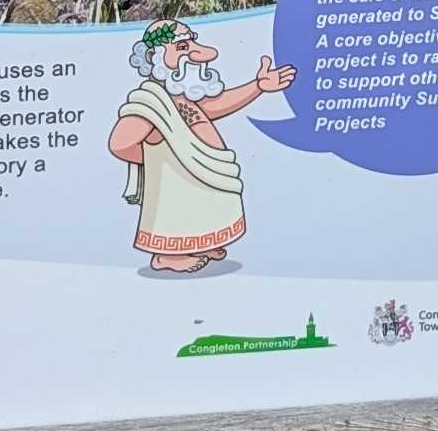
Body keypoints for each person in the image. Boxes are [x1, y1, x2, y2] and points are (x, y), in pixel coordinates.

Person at [103, 18, 295, 273]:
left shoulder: (183, 94)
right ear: (156, 57)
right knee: (176, 212)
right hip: (175, 179)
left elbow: (215, 106)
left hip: (206, 167)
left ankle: (204, 242)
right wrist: (163, 159)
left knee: (205, 204)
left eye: (192, 42)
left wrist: (258, 86)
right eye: (182, 47)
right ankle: (168, 256)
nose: (195, 52)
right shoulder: (151, 102)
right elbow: (120, 143)